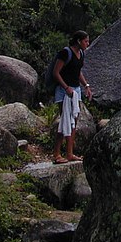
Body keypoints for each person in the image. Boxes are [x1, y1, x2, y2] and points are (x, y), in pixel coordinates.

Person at [52, 30, 93, 164]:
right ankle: (57, 154)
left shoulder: (80, 53)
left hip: (75, 90)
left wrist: (86, 85)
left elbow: (78, 72)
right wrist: (66, 87)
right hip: (64, 91)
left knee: (74, 122)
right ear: (78, 41)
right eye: (86, 41)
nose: (88, 43)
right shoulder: (65, 53)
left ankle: (70, 153)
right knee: (65, 120)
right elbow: (56, 73)